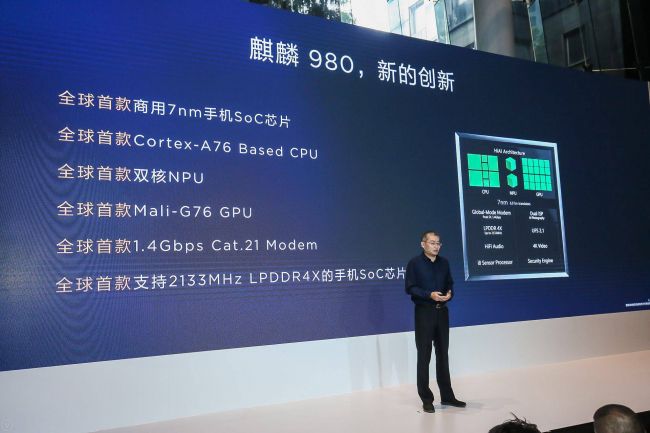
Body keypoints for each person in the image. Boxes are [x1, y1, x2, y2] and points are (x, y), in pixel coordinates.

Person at [405, 230, 465, 413]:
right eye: (432, 243)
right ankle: (426, 399)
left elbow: (450, 284)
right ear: (423, 244)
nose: (436, 246)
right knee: (424, 356)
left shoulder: (444, 263)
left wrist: (449, 294)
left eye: (438, 243)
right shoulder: (414, 263)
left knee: (443, 355)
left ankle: (447, 396)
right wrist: (429, 295)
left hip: (442, 313)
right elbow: (410, 288)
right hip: (424, 313)